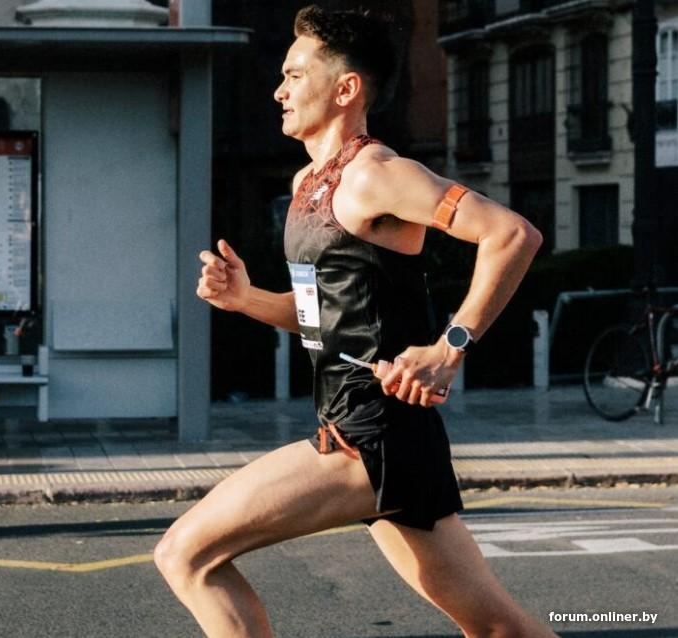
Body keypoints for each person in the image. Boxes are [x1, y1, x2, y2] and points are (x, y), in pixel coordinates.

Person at [154, 5, 558, 637]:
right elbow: (320, 318)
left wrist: (448, 346)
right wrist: (247, 299)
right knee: (497, 628)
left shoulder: (377, 175)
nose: (278, 90)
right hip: (387, 439)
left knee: (185, 555)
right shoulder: (308, 182)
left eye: (294, 75)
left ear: (346, 88)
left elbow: (512, 234)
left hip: (368, 436)